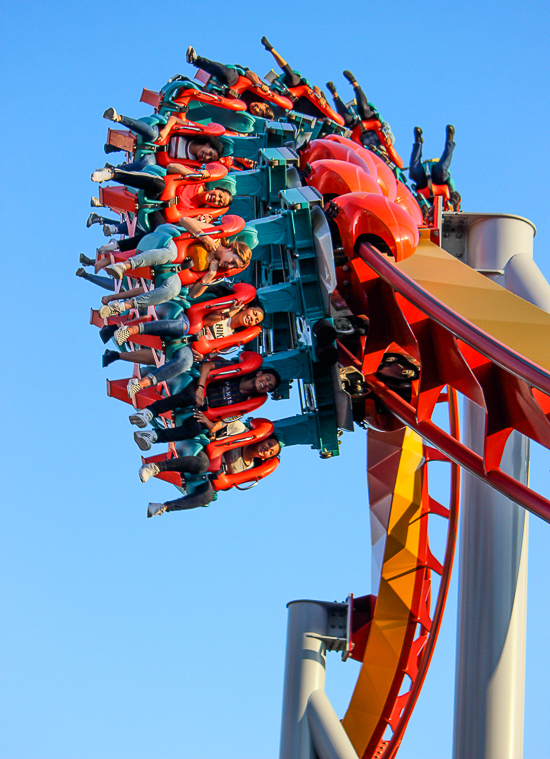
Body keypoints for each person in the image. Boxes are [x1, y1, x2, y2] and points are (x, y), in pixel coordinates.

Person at [129, 359, 281, 448]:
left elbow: (218, 425)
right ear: (260, 373)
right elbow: (207, 366)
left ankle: (152, 436)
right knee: (188, 396)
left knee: (194, 429)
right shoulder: (236, 371)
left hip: (203, 410)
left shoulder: (246, 404)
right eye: (267, 379)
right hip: (196, 386)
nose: (265, 384)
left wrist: (207, 421)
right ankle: (148, 413)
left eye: (269, 386)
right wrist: (200, 389)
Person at [144, 421, 281, 517]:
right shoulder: (240, 430)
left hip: (209, 475)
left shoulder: (250, 468)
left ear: (265, 458)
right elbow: (215, 428)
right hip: (203, 451)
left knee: (207, 497)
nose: (267, 449)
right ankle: (156, 467)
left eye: (270, 452)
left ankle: (163, 507)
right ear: (263, 439)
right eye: (269, 444)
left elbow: (230, 483)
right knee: (202, 463)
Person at [96, 236, 252, 319]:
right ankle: (124, 266)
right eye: (233, 261)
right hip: (175, 247)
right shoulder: (216, 236)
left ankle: (123, 306)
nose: (229, 265)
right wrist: (205, 238)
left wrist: (210, 275)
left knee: (173, 289)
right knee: (168, 254)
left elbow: (192, 294)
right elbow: (184, 221)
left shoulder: (216, 272)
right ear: (233, 248)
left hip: (175, 272)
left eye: (233, 267)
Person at [103, 107, 225, 161]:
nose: (206, 156)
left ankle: (112, 172)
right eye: (210, 153)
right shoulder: (194, 133)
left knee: (146, 165)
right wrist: (166, 130)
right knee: (151, 135)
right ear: (208, 144)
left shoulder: (193, 162)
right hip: (160, 134)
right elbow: (174, 119)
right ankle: (118, 118)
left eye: (209, 159)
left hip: (156, 155)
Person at [185, 47, 275, 120]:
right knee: (227, 76)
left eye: (257, 112)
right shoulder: (261, 94)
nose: (255, 108)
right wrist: (259, 84)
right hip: (235, 80)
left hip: (224, 96)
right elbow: (249, 73)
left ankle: (184, 82)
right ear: (265, 105)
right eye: (260, 108)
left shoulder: (246, 115)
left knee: (212, 99)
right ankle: (195, 60)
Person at [326, 72, 395, 156]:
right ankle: (354, 83)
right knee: (363, 109)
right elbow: (385, 125)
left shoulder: (367, 154)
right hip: (369, 120)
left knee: (346, 119)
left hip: (356, 129)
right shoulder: (388, 141)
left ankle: (334, 94)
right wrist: (386, 135)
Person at [409, 125, 461, 211]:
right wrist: (452, 205)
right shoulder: (452, 203)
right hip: (440, 181)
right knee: (440, 169)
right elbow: (456, 197)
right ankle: (450, 140)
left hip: (424, 185)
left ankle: (418, 142)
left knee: (414, 171)